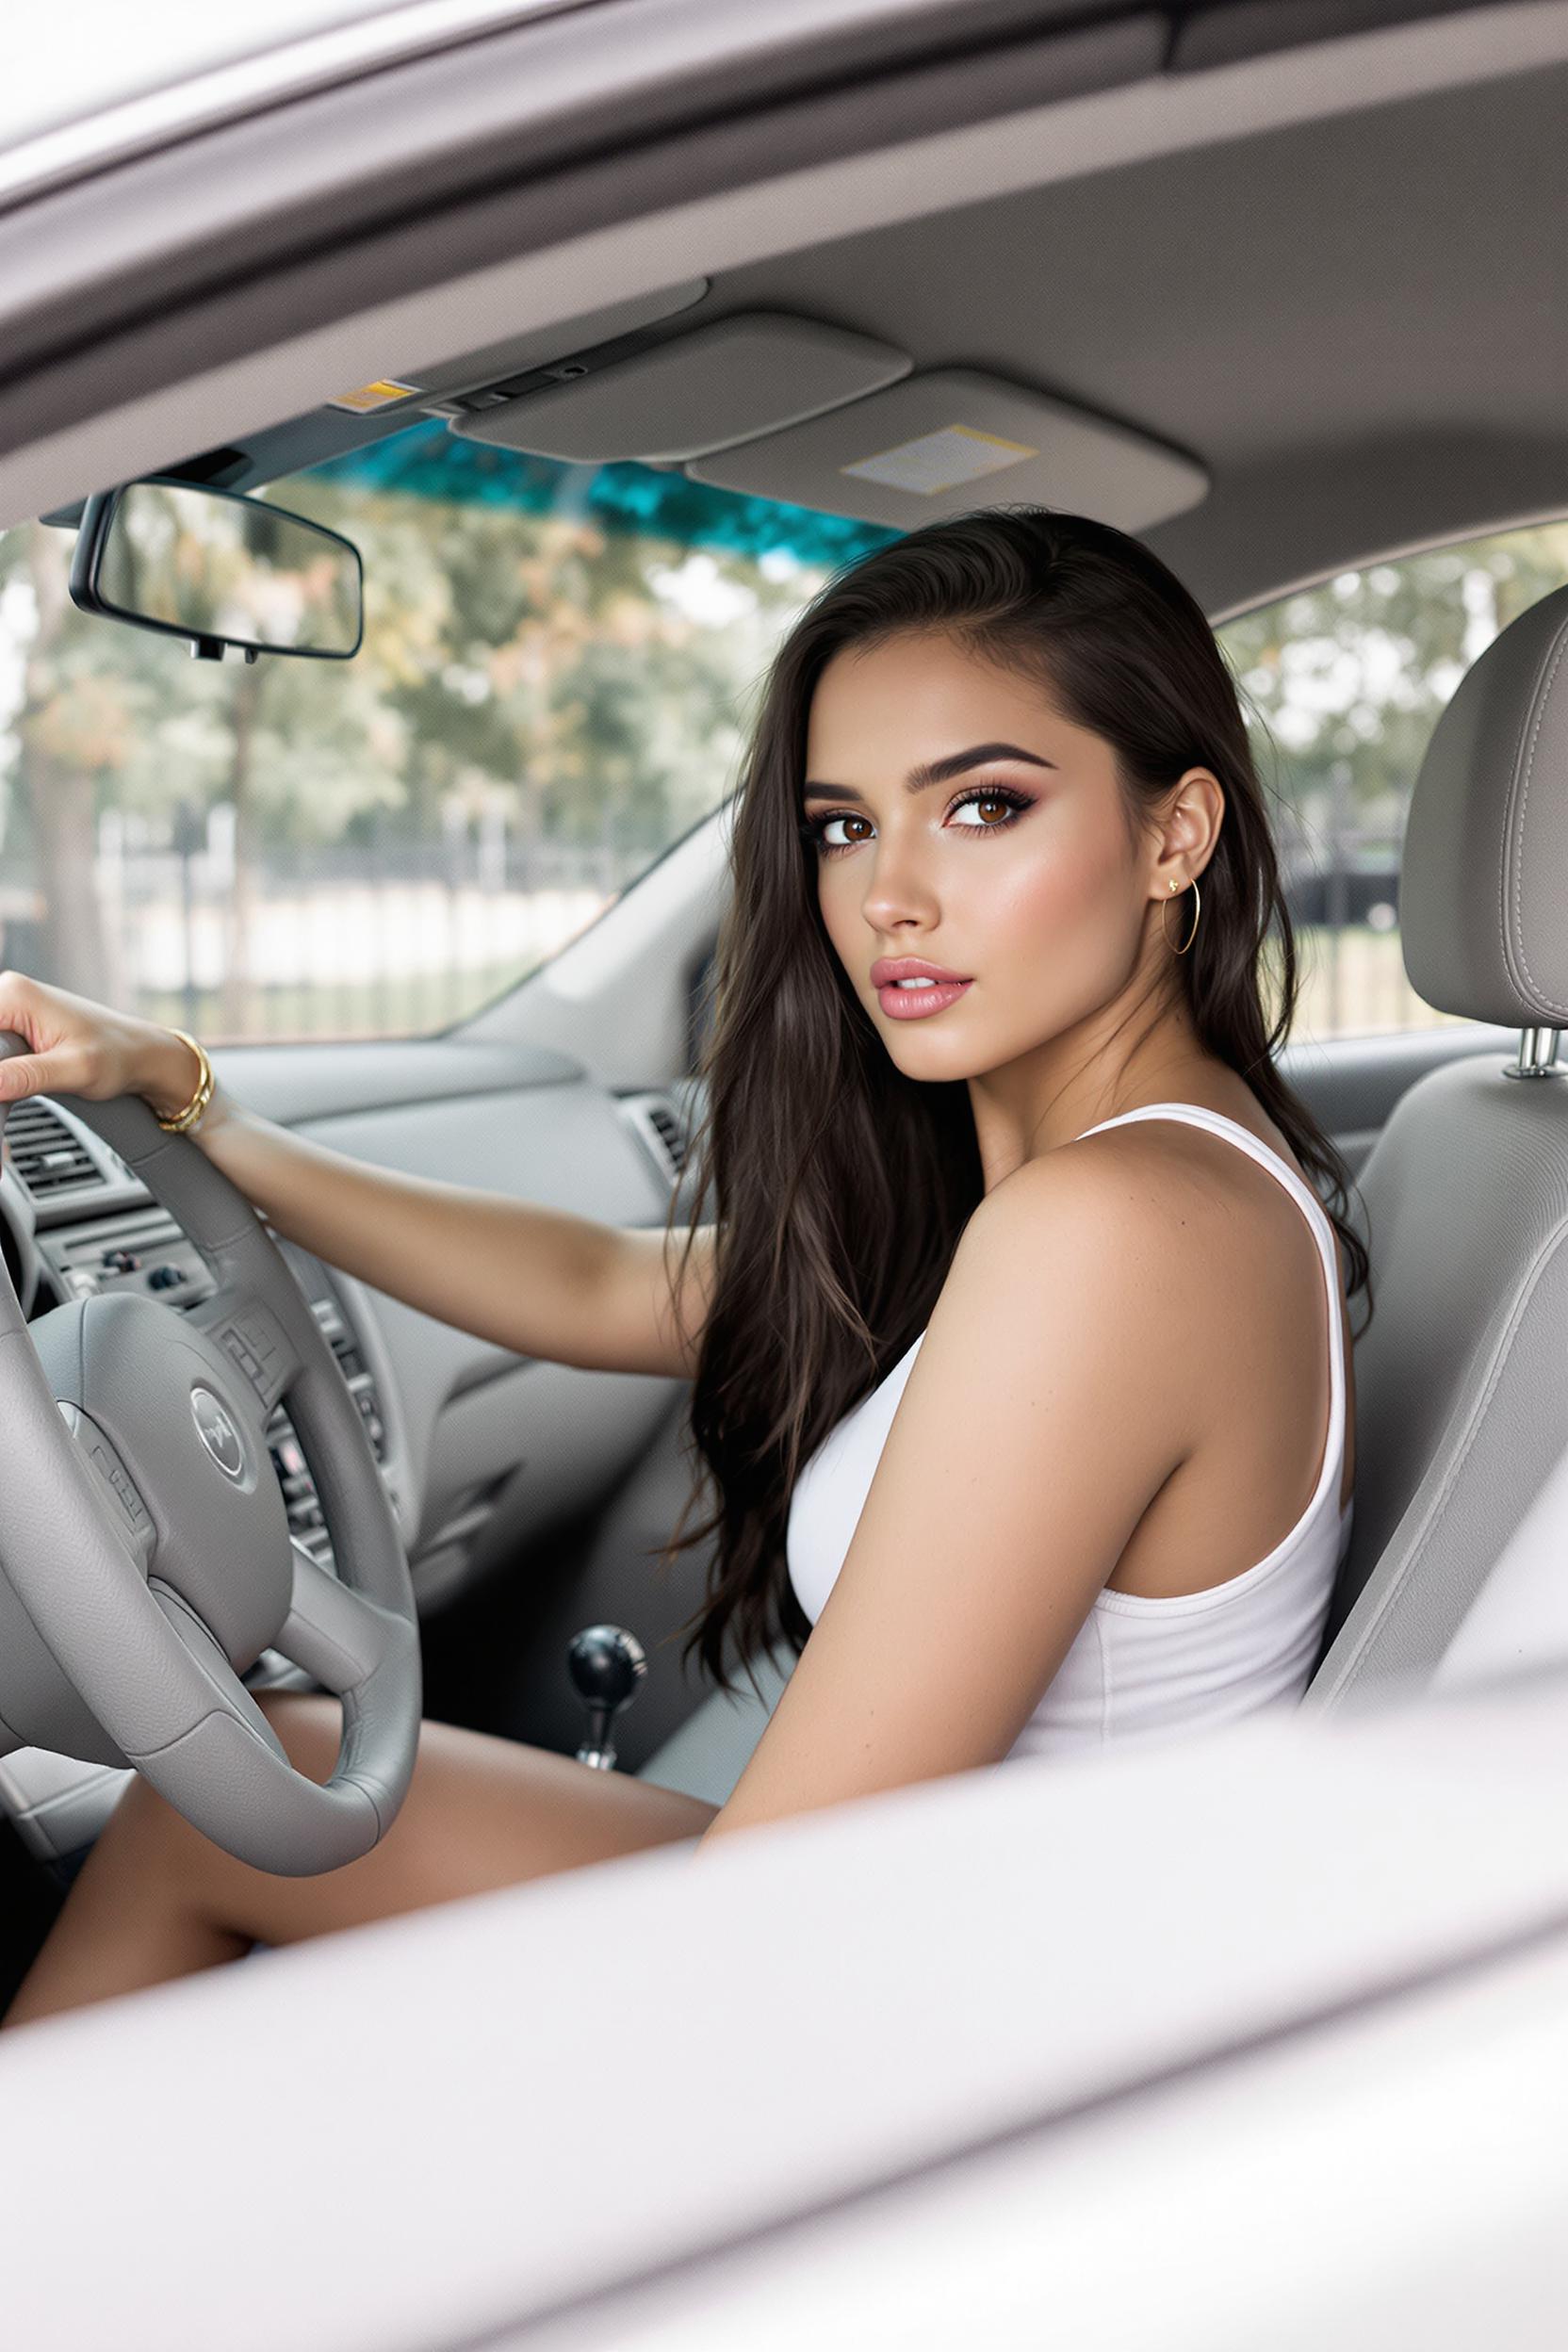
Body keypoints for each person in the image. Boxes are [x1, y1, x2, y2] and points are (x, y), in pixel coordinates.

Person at [0, 506, 1365, 2027]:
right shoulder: (1130, 1180)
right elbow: (600, 1285)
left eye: (983, 808)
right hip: (957, 1940)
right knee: (223, 1793)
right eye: (844, 824)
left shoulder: (1113, 1235)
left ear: (1174, 833)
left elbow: (763, 1932)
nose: (889, 897)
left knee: (213, 1803)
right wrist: (197, 1104)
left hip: (982, 2034)